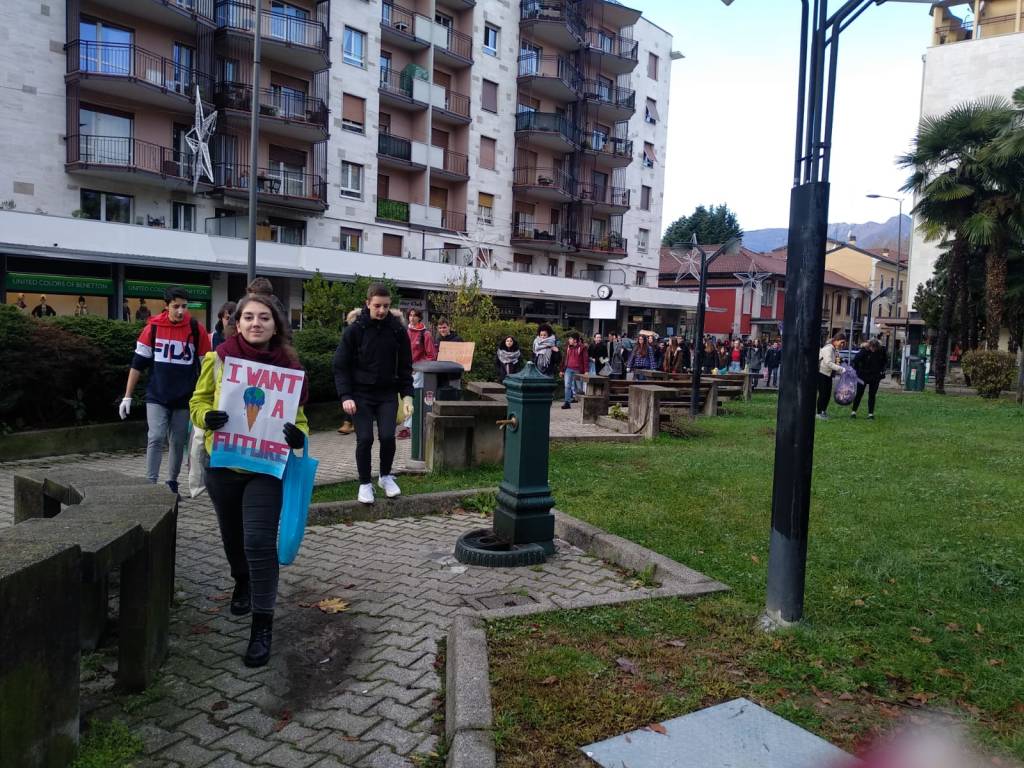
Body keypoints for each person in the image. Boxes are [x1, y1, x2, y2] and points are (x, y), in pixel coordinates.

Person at [189, 292, 309, 668]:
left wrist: (298, 437)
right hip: (223, 465)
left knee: (258, 541)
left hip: (266, 468)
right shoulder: (217, 358)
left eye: (264, 318)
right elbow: (197, 402)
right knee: (233, 538)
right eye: (248, 318)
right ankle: (240, 580)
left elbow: (300, 419)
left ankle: (262, 624)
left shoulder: (288, 367)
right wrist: (206, 416)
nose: (256, 323)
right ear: (236, 322)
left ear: (276, 326)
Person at [119, 286, 211, 493]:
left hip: (184, 397)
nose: (180, 311)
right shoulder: (152, 328)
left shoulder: (196, 330)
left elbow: (206, 367)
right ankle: (150, 485)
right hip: (157, 395)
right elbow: (137, 364)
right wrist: (127, 396)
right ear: (166, 306)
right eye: (176, 306)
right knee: (156, 436)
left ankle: (171, 482)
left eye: (184, 307)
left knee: (178, 442)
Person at [333, 284, 414, 505]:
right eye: (377, 305)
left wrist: (407, 396)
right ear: (367, 303)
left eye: (386, 306)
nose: (381, 311)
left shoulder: (397, 331)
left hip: (387, 394)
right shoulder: (354, 330)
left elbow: (406, 366)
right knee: (365, 439)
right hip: (360, 395)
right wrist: (345, 396)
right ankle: (365, 483)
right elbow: (340, 365)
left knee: (388, 437)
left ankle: (385, 477)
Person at [851, 338, 886, 419]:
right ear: (869, 346)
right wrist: (857, 370)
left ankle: (870, 413)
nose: (873, 350)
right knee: (859, 394)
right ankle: (853, 411)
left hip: (875, 375)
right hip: (863, 375)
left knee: (872, 395)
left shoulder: (881, 351)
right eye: (872, 348)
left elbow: (884, 361)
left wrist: (882, 370)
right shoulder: (864, 351)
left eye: (875, 348)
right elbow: (855, 360)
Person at [817, 333, 846, 420]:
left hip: (828, 374)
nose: (843, 344)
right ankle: (819, 413)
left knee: (827, 394)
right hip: (822, 373)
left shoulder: (835, 349)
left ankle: (823, 411)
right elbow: (828, 363)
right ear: (836, 340)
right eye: (842, 342)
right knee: (823, 394)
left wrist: (841, 362)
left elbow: (836, 361)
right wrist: (841, 369)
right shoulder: (828, 349)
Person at [560, 332, 588, 409]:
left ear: (575, 340)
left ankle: (584, 403)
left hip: (578, 370)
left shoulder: (582, 348)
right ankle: (567, 403)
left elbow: (585, 359)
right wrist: (562, 370)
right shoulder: (568, 347)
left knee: (579, 388)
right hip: (568, 369)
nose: (569, 340)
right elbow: (564, 359)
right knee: (567, 386)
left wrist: (586, 370)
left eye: (570, 339)